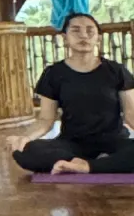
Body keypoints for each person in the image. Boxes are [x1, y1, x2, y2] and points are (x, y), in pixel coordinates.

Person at [9, 12, 134, 174]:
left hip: (114, 141)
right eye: (75, 30)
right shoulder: (53, 73)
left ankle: (87, 166)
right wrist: (25, 137)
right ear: (65, 38)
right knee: (24, 150)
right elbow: (46, 120)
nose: (84, 35)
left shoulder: (116, 71)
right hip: (72, 143)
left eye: (90, 31)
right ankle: (84, 162)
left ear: (98, 38)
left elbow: (131, 115)